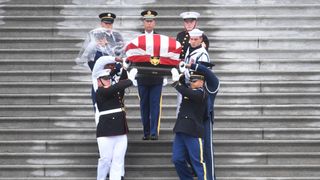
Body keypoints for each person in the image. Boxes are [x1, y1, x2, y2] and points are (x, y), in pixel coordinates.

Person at [94, 66, 138, 180]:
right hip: (106, 131)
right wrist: (130, 80)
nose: (108, 80)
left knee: (118, 160)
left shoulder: (113, 90)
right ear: (99, 81)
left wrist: (124, 69)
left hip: (120, 130)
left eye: (109, 78)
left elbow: (119, 85)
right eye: (105, 78)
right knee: (105, 160)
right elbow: (116, 87)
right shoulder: (100, 91)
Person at [179, 60, 220, 180]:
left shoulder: (212, 84)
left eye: (200, 70)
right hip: (192, 120)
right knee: (188, 150)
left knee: (207, 151)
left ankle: (211, 177)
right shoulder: (195, 84)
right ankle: (197, 171)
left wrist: (190, 65)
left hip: (204, 120)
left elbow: (207, 73)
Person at [170, 68, 208, 180]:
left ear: (202, 82)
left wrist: (177, 83)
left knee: (198, 163)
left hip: (193, 132)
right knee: (177, 159)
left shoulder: (202, 94)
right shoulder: (189, 90)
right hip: (181, 130)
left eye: (194, 80)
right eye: (191, 80)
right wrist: (181, 77)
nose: (192, 82)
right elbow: (186, 89)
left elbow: (187, 92)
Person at [136, 10, 164, 140]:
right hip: (142, 76)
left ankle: (154, 132)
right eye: (146, 21)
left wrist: (165, 74)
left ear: (154, 22)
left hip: (156, 76)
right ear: (143, 23)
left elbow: (165, 58)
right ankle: (146, 131)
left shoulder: (161, 40)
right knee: (144, 106)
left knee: (155, 105)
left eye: (151, 21)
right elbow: (132, 57)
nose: (148, 23)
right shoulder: (137, 39)